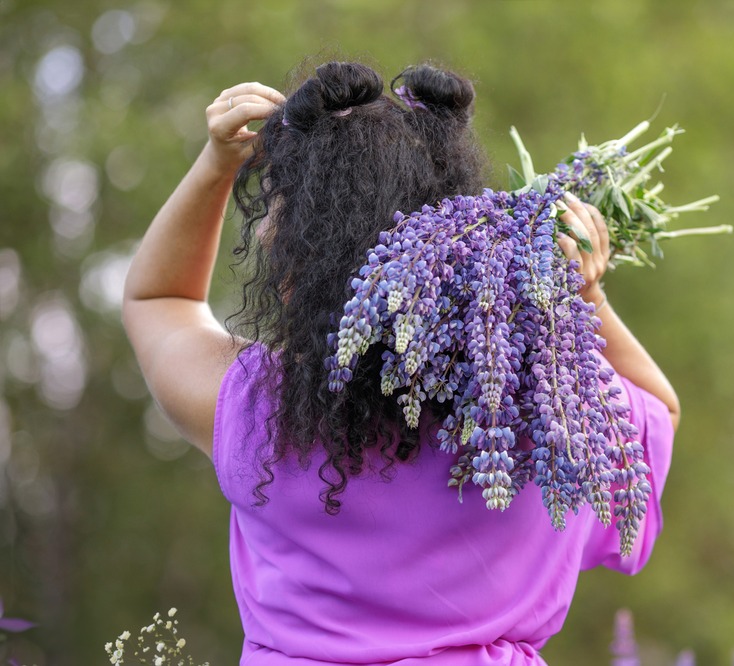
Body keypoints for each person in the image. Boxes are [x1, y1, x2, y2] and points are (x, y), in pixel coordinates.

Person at [123, 60, 681, 666]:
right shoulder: (550, 419)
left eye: (278, 221)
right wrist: (582, 294)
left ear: (310, 261)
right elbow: (659, 417)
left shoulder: (259, 409)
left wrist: (216, 165)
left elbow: (158, 300)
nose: (263, 239)